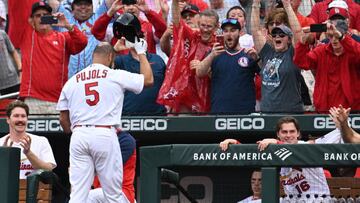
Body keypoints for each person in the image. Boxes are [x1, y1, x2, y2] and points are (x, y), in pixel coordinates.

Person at [57, 40, 153, 202]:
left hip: (79, 134)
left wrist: (78, 132)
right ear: (110, 57)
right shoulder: (114, 74)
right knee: (113, 194)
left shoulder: (72, 81)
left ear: (94, 56)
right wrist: (141, 52)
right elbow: (148, 80)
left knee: (78, 195)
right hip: (104, 132)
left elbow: (63, 119)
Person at [7, 1, 87, 115]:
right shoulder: (27, 35)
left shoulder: (63, 38)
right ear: (31, 20)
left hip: (58, 101)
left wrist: (67, 26)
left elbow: (82, 42)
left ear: (51, 18)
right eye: (38, 16)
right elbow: (18, 6)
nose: (42, 18)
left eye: (45, 16)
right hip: (33, 100)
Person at [157, 0, 219, 113]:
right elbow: (177, 22)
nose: (205, 29)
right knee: (179, 124)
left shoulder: (219, 44)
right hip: (186, 94)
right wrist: (175, 2)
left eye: (209, 26)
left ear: (216, 27)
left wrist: (203, 66)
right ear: (199, 23)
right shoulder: (192, 35)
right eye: (203, 26)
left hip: (210, 97)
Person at [192, 18, 260, 114]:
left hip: (245, 112)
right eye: (225, 31)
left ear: (240, 33)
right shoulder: (214, 53)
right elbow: (200, 73)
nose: (229, 34)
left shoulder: (248, 54)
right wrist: (212, 55)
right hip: (219, 111)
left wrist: (257, 59)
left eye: (232, 30)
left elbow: (264, 76)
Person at [256, 117, 330, 201]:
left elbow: (293, 152)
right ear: (278, 134)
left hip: (318, 199)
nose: (288, 135)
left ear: (298, 133)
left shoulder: (305, 147)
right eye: (284, 132)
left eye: (292, 131)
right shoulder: (279, 152)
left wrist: (276, 142)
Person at [294, 19, 360, 112]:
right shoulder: (321, 51)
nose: (334, 40)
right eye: (331, 36)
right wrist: (302, 43)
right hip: (324, 110)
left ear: (345, 34)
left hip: (351, 111)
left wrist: (343, 39)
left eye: (337, 36)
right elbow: (302, 63)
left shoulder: (353, 51)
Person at [251, 0, 304, 113]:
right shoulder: (267, 52)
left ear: (289, 38)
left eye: (281, 34)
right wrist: (256, 3)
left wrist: (287, 5)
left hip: (290, 113)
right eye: (274, 34)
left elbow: (298, 32)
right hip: (267, 112)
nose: (277, 36)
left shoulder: (293, 53)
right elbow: (255, 30)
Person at [48, 0, 115, 79]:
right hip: (68, 78)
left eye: (87, 4)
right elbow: (52, 3)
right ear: (72, 8)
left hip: (94, 76)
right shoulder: (65, 19)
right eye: (79, 4)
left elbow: (111, 2)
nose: (83, 7)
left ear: (92, 7)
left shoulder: (98, 17)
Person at [0, 100, 56, 179]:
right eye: (16, 116)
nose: (20, 120)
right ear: (8, 119)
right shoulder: (1, 142)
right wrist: (3, 154)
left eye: (23, 116)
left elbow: (49, 169)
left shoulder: (41, 141)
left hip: (33, 190)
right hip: (6, 189)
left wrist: (28, 153)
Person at [89, 131, 137, 203]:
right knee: (80, 195)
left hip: (122, 194)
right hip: (103, 195)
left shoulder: (125, 139)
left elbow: (110, 167)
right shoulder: (97, 140)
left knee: (88, 197)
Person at [0, 30, 22, 96]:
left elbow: (13, 51)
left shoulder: (2, 33)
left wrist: (21, 70)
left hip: (13, 80)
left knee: (17, 104)